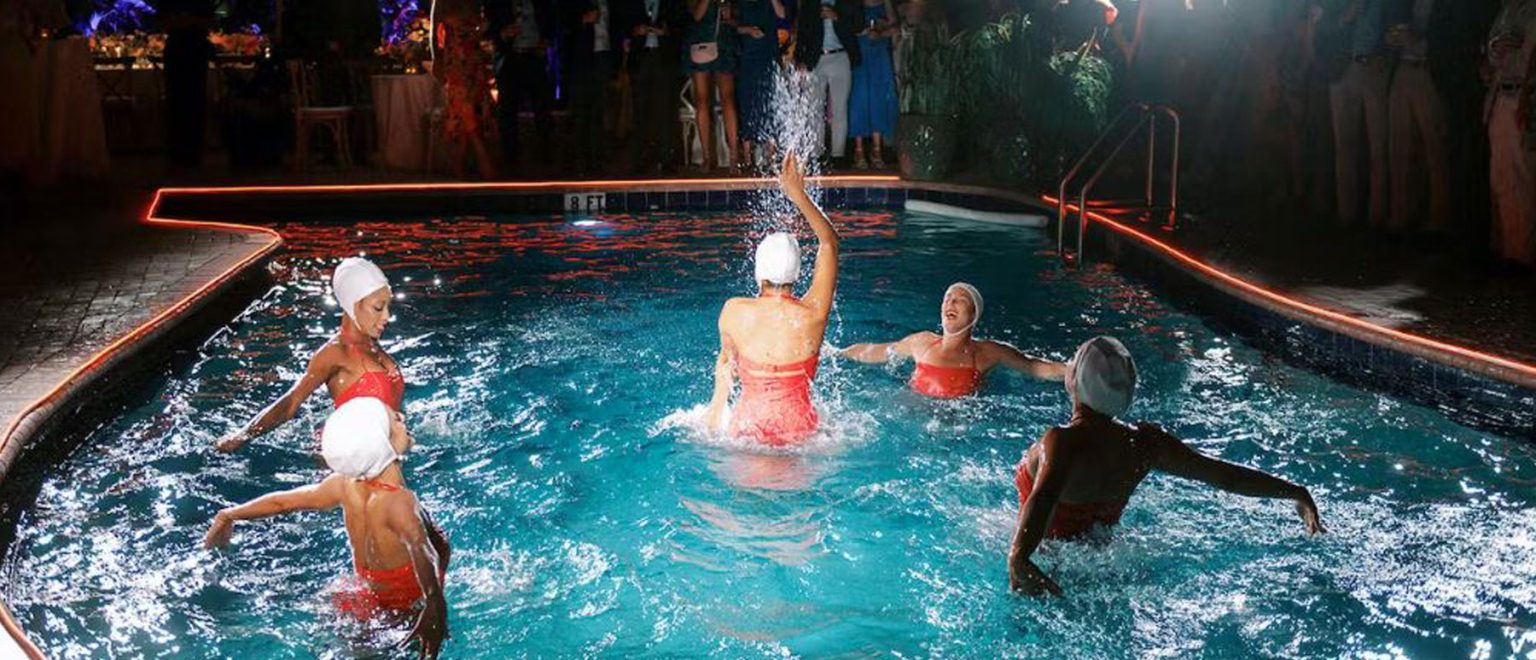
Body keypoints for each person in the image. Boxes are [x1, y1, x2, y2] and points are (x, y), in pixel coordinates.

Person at [1007, 337, 1325, 596]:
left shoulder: (1062, 442)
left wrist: (1019, 556)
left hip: (1046, 564)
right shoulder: (1145, 445)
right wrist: (1294, 491)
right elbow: (1223, 475)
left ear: (1073, 380)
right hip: (1105, 564)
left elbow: (1044, 497)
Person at [203, 398, 450, 657]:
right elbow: (423, 550)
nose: (402, 416)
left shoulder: (344, 484)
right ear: (383, 443)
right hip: (401, 609)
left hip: (360, 596)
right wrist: (434, 606)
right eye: (394, 420)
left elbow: (282, 503)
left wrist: (229, 515)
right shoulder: (399, 502)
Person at [706, 152, 839, 445]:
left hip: (745, 431)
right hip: (800, 433)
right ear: (798, 273)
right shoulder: (812, 315)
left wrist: (714, 413)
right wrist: (798, 195)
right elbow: (829, 243)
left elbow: (727, 368)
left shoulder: (733, 311)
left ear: (758, 271)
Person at [216, 257, 404, 452]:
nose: (387, 316)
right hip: (349, 456)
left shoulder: (373, 346)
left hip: (384, 451)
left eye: (388, 307)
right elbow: (291, 402)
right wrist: (241, 437)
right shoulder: (335, 352)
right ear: (353, 305)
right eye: (378, 308)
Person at [840, 283, 1066, 398]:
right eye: (947, 299)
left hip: (954, 426)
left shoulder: (987, 352)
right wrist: (837, 353)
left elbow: (1036, 367)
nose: (950, 303)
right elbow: (876, 351)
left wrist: (1076, 370)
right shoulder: (922, 342)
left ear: (974, 314)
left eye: (960, 300)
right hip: (911, 412)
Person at [1384, 0, 1450, 234]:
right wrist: (1391, 39)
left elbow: (1450, 37)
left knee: (1434, 149)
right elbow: (1393, 28)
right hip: (1403, 68)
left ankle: (1438, 217)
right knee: (1399, 146)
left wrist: (1417, 42)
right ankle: (1401, 214)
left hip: (1427, 70)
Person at [1328, 0, 1389, 228]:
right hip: (1342, 67)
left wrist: (1385, 55)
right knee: (1344, 145)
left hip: (1374, 67)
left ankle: (1378, 213)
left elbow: (1396, 22)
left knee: (1378, 146)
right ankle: (1347, 212)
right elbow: (1325, 22)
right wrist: (1347, 17)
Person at [1485, 0, 1536, 267]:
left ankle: (1521, 254)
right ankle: (1508, 247)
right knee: (1501, 176)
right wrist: (1495, 49)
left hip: (1524, 99)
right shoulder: (1506, 10)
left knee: (1522, 178)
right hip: (1501, 94)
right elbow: (1491, 48)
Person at [486, 0, 557, 173]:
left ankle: (546, 156)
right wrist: (502, 34)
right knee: (508, 111)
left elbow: (550, 20)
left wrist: (545, 41)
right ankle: (511, 159)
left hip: (534, 57)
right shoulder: (498, 4)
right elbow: (489, 27)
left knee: (542, 108)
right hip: (510, 58)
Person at [617, 0, 687, 174]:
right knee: (640, 109)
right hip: (641, 57)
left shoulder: (671, 4)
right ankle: (640, 157)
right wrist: (634, 31)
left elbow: (683, 23)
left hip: (664, 58)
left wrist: (666, 31)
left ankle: (666, 158)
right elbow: (621, 22)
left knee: (666, 108)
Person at [794, 0, 862, 168]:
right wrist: (800, 58)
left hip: (840, 56)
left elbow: (859, 25)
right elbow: (802, 30)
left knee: (840, 108)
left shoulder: (846, 3)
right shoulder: (810, 3)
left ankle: (838, 155)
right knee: (815, 109)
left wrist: (837, 17)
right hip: (815, 59)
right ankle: (817, 154)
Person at [435, 0, 498, 179]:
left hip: (471, 61)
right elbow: (438, 30)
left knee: (467, 111)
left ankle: (460, 166)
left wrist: (479, 30)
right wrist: (438, 59)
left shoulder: (473, 5)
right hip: (457, 61)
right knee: (464, 108)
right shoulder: (444, 5)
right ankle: (481, 161)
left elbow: (482, 25)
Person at [561, 0, 622, 176]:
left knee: (599, 109)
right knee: (581, 110)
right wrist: (582, 20)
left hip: (603, 56)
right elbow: (562, 22)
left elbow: (617, 24)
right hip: (581, 59)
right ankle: (580, 159)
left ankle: (596, 158)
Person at [684, 0, 742, 173]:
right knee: (702, 100)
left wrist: (729, 17)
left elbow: (738, 21)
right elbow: (696, 15)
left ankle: (733, 157)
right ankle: (706, 157)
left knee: (728, 99)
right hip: (701, 44)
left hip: (724, 44)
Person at [735, 0, 788, 170]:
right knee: (748, 102)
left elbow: (782, 15)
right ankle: (747, 157)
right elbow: (731, 25)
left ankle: (770, 157)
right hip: (748, 56)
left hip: (768, 55)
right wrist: (748, 30)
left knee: (770, 104)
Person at [849, 0, 897, 169]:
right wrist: (863, 32)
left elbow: (894, 26)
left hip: (879, 53)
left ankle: (877, 150)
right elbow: (845, 27)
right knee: (858, 99)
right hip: (860, 54)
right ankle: (859, 150)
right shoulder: (855, 4)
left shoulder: (886, 2)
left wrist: (881, 32)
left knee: (879, 99)